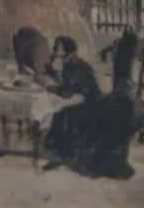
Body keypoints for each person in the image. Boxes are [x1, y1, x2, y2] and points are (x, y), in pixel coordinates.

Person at [43, 36, 104, 171]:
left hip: (89, 104)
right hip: (78, 99)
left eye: (59, 47)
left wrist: (55, 91)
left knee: (63, 110)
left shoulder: (78, 66)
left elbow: (77, 92)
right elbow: (67, 87)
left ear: (68, 50)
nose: (55, 50)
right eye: (56, 47)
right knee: (58, 110)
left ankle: (65, 154)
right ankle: (59, 151)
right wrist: (53, 78)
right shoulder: (66, 63)